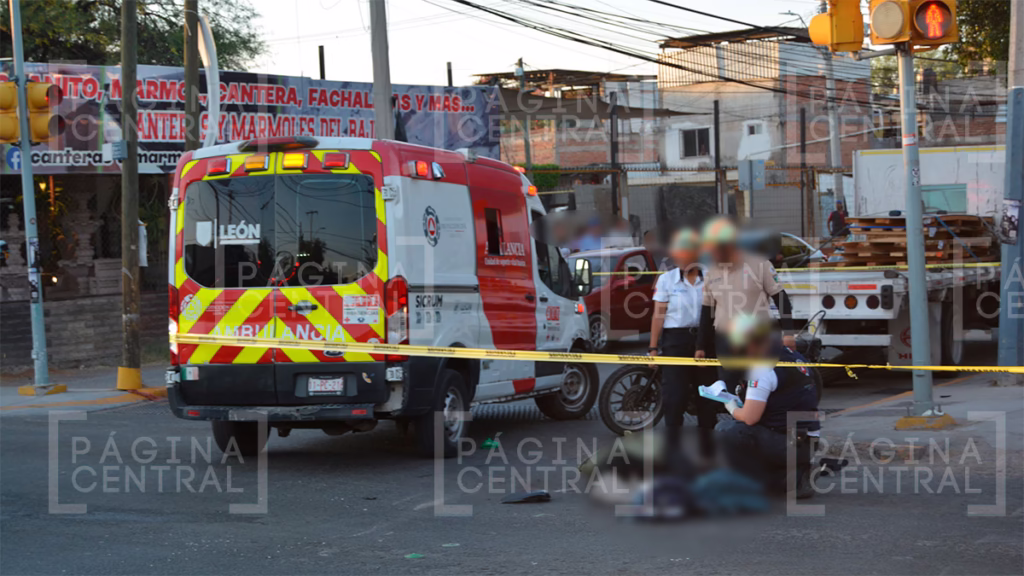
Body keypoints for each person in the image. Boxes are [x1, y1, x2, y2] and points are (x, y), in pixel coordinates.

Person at [714, 313, 821, 498]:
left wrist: (730, 405)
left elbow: (750, 418)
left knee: (726, 430)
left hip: (788, 441)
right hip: (807, 439)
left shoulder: (762, 369)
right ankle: (794, 474)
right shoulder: (795, 356)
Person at [695, 217, 796, 395]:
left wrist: (788, 334)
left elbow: (781, 299)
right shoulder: (712, 272)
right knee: (730, 388)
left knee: (763, 387)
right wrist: (700, 346)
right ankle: (737, 421)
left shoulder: (760, 264)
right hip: (726, 341)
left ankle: (764, 421)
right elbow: (707, 310)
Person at [648, 228, 718, 468]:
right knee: (674, 396)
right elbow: (658, 315)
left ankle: (706, 449)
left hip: (705, 340)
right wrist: (653, 349)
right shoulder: (667, 280)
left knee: (707, 396)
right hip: (675, 341)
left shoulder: (711, 277)